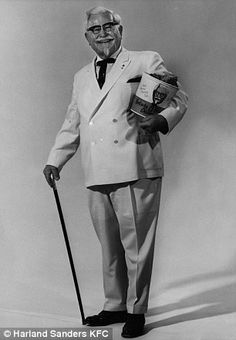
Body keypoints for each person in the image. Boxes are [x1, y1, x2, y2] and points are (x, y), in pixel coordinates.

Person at [43, 6, 188, 338]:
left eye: (110, 26)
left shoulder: (144, 60)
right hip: (96, 170)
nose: (103, 32)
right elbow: (72, 123)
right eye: (95, 29)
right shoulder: (81, 77)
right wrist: (55, 160)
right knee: (109, 246)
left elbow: (178, 100)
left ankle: (137, 311)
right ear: (87, 37)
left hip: (135, 165)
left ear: (121, 31)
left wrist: (160, 119)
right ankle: (114, 305)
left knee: (137, 245)